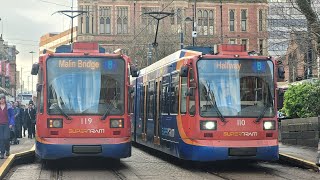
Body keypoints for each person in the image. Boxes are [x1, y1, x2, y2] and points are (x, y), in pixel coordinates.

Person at [0, 94, 15, 159]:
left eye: (3, 98)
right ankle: (2, 153)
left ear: (5, 99)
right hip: (0, 125)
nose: (2, 100)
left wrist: (11, 123)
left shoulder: (8, 107)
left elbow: (12, 116)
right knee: (1, 139)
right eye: (0, 99)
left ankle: (7, 149)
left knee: (6, 138)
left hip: (7, 124)